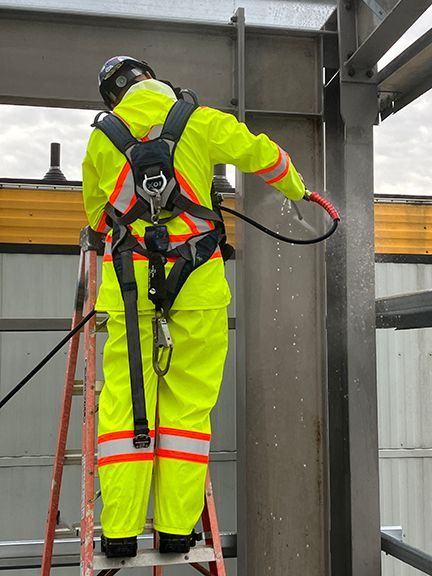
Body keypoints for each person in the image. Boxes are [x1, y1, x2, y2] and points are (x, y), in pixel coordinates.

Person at [82, 55, 306, 558]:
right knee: (188, 408)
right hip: (198, 288)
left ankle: (118, 533)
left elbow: (98, 218)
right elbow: (265, 155)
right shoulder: (200, 121)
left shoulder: (102, 139)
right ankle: (176, 530)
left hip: (130, 287)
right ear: (156, 80)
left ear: (114, 98)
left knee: (126, 401)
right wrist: (299, 190)